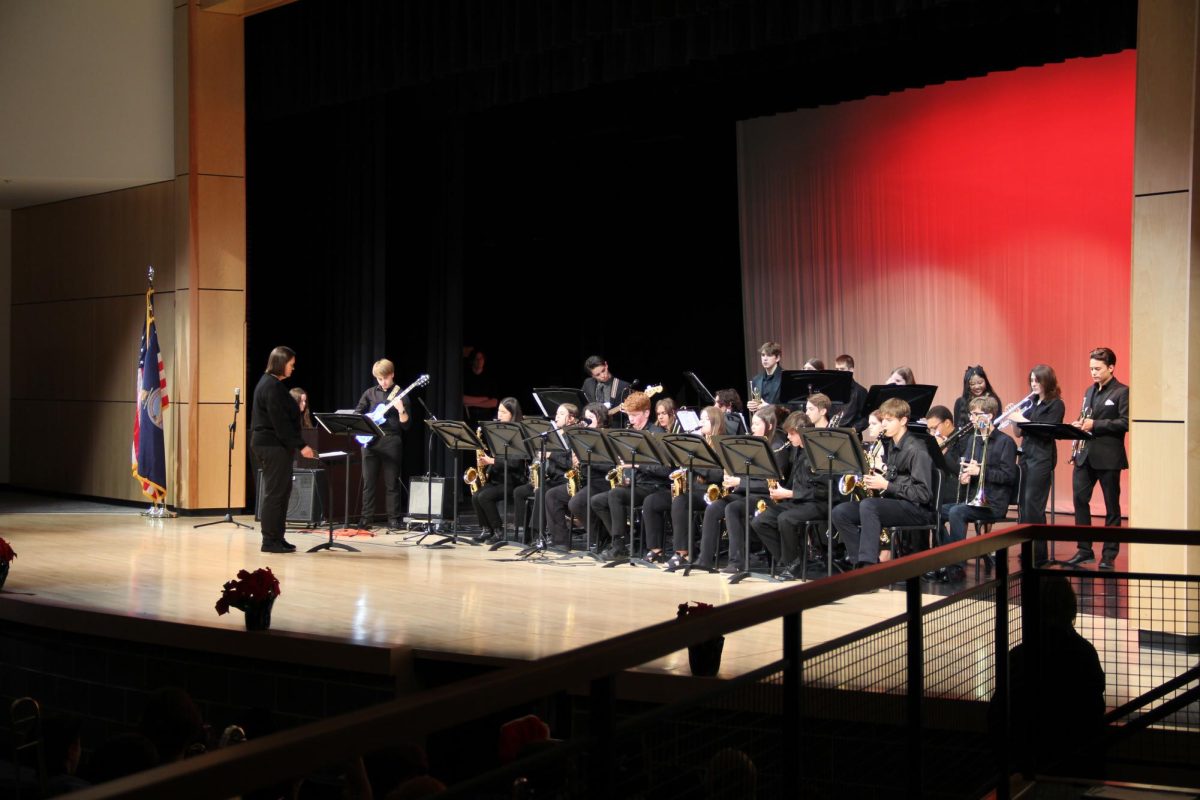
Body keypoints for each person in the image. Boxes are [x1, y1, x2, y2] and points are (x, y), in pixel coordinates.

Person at [831, 398, 935, 568]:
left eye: (889, 420)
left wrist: (885, 485)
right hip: (896, 503)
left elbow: (923, 494)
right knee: (840, 512)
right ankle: (859, 563)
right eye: (883, 420)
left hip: (916, 509)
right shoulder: (892, 446)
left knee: (869, 506)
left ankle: (869, 566)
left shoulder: (917, 449)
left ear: (903, 421)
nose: (884, 424)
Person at [930, 395, 1017, 583]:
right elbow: (967, 467)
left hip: (993, 502)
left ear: (991, 415)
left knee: (957, 512)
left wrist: (980, 471)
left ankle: (956, 566)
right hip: (972, 498)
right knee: (933, 511)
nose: (973, 419)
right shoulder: (973, 440)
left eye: (977, 414)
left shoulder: (1005, 442)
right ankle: (946, 559)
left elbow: (1008, 476)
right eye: (972, 415)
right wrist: (966, 475)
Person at [694, 405, 789, 573]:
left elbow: (769, 483)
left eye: (757, 425)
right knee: (714, 507)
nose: (752, 429)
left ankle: (737, 561)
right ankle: (704, 559)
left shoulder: (777, 447)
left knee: (732, 508)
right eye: (752, 425)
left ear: (770, 426)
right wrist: (733, 479)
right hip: (744, 492)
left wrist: (739, 481)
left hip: (764, 496)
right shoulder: (751, 445)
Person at [587, 391, 670, 559]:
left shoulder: (658, 435)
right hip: (636, 484)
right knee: (597, 501)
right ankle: (622, 540)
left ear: (647, 413)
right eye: (629, 415)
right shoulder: (629, 433)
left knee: (616, 495)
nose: (631, 420)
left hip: (654, 487)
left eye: (635, 415)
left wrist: (637, 465)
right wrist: (626, 475)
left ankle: (619, 546)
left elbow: (665, 471)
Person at [1067, 347, 1129, 569]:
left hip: (1109, 457)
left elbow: (1126, 422)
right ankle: (1084, 550)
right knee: (1080, 500)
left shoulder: (1122, 392)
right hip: (1085, 456)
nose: (1093, 372)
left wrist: (1097, 425)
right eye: (1091, 368)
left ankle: (1109, 556)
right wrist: (1077, 423)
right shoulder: (1089, 391)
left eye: (1098, 368)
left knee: (1112, 506)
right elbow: (1085, 416)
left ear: (1111, 368)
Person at [251, 346, 315, 553]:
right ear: (281, 363)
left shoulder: (273, 384)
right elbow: (280, 423)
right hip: (271, 445)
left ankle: (278, 537)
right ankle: (269, 540)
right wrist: (301, 445)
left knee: (282, 492)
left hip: (275, 445)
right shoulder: (270, 386)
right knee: (274, 494)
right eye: (291, 364)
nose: (293, 368)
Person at [752, 410, 827, 580]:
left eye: (792, 434)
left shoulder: (818, 453)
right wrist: (779, 490)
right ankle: (791, 562)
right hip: (798, 501)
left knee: (786, 518)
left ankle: (793, 564)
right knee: (760, 520)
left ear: (803, 432)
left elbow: (822, 490)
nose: (788, 437)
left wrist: (789, 493)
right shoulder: (796, 451)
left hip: (817, 503)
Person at [1008, 365, 1066, 564]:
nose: (1033, 384)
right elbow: (1019, 433)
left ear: (1047, 381)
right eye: (1031, 380)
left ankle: (1039, 553)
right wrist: (1013, 418)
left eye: (1037, 380)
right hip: (1025, 457)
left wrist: (1021, 418)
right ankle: (1028, 548)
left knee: (1034, 505)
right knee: (1024, 505)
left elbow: (1045, 432)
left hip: (1041, 459)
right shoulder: (1031, 403)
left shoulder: (1055, 404)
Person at [665, 405, 728, 569]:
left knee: (685, 502)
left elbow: (718, 475)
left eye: (705, 419)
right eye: (700, 418)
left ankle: (700, 553)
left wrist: (695, 464)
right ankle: (682, 552)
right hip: (697, 491)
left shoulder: (722, 444)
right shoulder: (700, 442)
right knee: (680, 500)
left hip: (715, 493)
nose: (701, 422)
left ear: (715, 422)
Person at [542, 402, 609, 549]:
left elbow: (609, 466)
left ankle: (601, 537)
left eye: (591, 418)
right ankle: (560, 542)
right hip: (584, 480)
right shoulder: (583, 436)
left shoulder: (606, 437)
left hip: (600, 482)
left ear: (601, 419)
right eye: (586, 418)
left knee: (576, 503)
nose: (586, 421)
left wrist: (586, 460)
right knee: (552, 495)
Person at [354, 359, 412, 530]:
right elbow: (358, 413)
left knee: (391, 483)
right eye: (379, 379)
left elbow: (406, 425)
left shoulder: (401, 394)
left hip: (391, 441)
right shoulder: (369, 393)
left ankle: (393, 519)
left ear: (392, 374)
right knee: (369, 482)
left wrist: (401, 410)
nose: (383, 382)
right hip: (371, 441)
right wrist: (369, 417)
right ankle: (366, 518)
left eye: (385, 378)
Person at [513, 402, 577, 543]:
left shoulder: (573, 436)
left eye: (561, 414)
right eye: (557, 413)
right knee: (521, 491)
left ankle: (538, 534)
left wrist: (549, 455)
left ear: (571, 419)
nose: (557, 417)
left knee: (541, 491)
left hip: (566, 479)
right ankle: (527, 533)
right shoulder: (553, 434)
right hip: (553, 478)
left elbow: (569, 463)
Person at [473, 397, 526, 543]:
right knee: (476, 495)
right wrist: (487, 465)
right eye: (498, 411)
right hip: (498, 477)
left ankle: (498, 531)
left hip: (513, 480)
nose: (499, 415)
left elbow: (515, 462)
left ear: (512, 414)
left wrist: (491, 460)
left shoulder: (518, 433)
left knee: (485, 496)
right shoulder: (497, 432)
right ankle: (486, 529)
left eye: (503, 412)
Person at [832, 354, 869, 431]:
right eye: (837, 369)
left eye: (842, 369)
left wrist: (854, 429)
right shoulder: (832, 390)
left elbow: (866, 417)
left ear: (851, 370)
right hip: (832, 433)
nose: (838, 372)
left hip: (851, 435)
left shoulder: (860, 391)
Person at [461, 348, 499, 424]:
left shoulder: (490, 378)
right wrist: (484, 399)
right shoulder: (465, 376)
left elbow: (494, 402)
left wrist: (471, 403)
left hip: (486, 418)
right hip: (469, 418)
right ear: (472, 361)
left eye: (481, 358)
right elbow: (462, 399)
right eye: (477, 359)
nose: (479, 361)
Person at [748, 341, 783, 412]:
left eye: (769, 355)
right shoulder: (756, 379)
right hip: (762, 421)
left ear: (777, 358)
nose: (765, 358)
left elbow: (790, 407)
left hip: (779, 421)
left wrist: (769, 407)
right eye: (763, 355)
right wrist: (752, 406)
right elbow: (757, 405)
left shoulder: (785, 377)